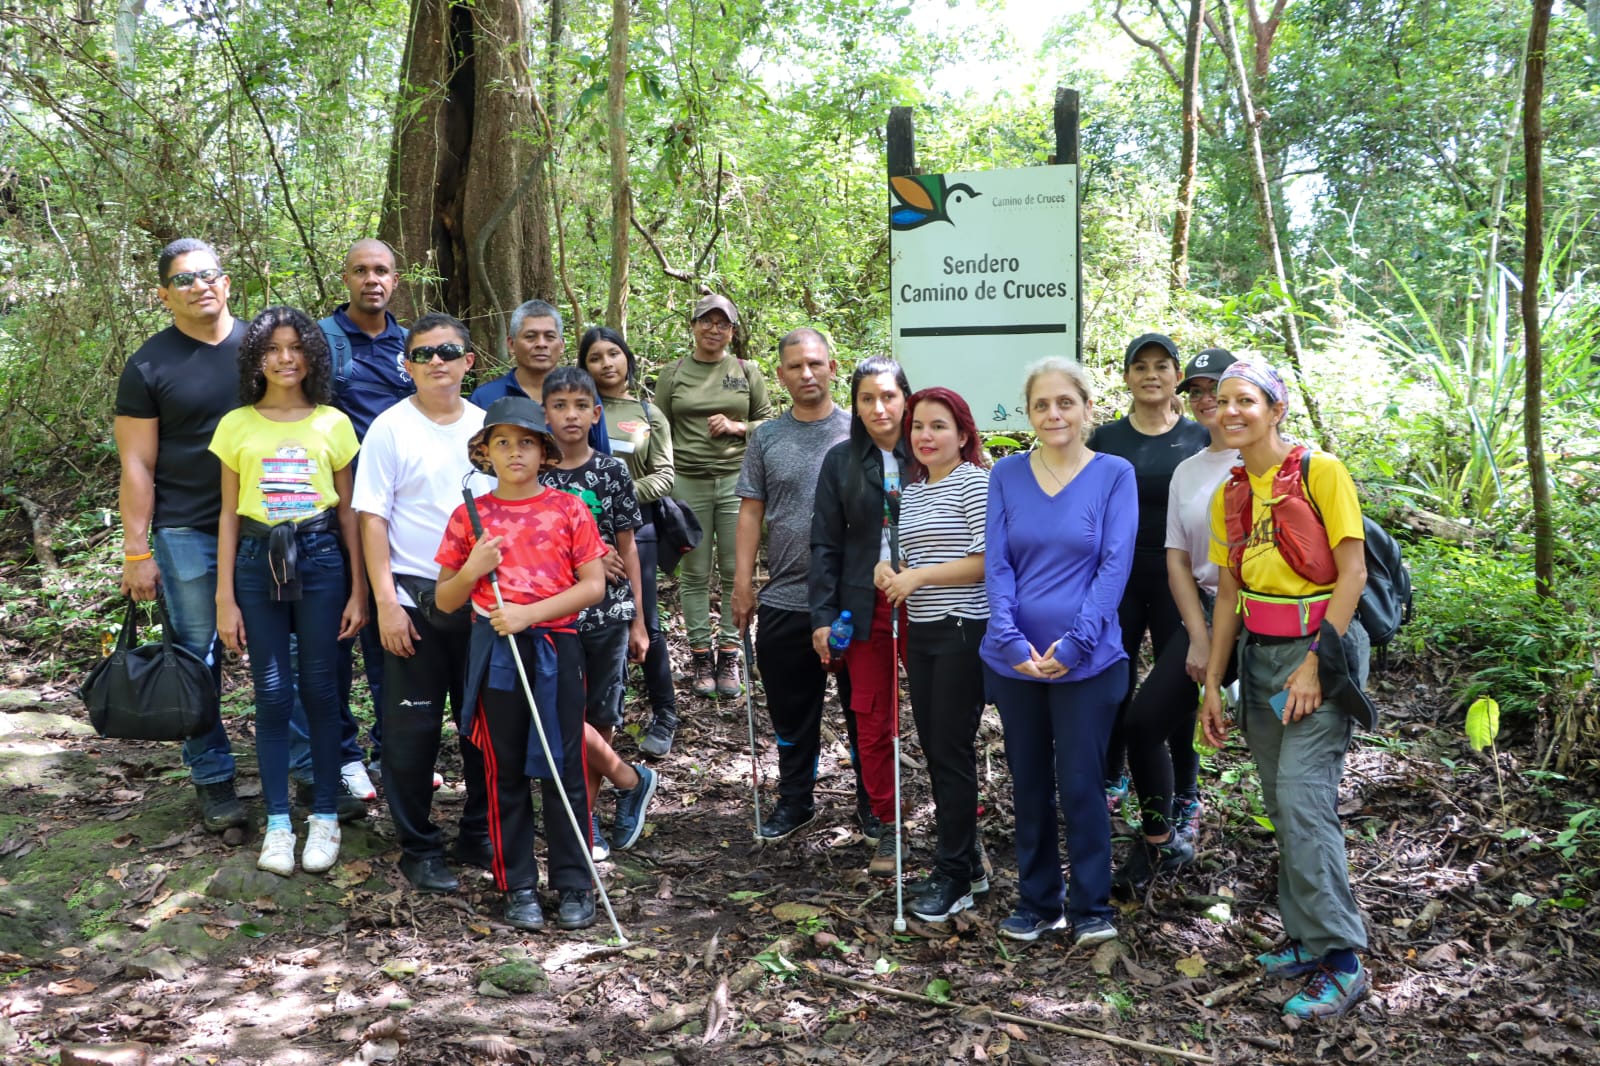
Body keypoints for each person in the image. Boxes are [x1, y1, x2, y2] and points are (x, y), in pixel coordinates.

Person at [1197, 360, 1372, 1020]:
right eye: (1223, 401)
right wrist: (1214, 684)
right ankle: (1306, 939)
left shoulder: (1320, 472)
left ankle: (1345, 959)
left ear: (1277, 409)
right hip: (1260, 656)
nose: (1232, 410)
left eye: (1248, 400)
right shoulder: (1232, 490)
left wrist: (1315, 666)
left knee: (1302, 800)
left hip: (1317, 653)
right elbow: (1228, 597)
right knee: (1280, 797)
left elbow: (1351, 574)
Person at [434, 396, 608, 931]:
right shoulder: (470, 516)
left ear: (545, 451)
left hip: (556, 649)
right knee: (503, 769)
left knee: (564, 768)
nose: (514, 452)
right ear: (484, 452)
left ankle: (575, 884)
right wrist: (474, 570)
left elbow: (594, 586)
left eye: (526, 442)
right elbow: (444, 598)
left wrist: (529, 613)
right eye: (502, 442)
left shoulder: (569, 509)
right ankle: (518, 886)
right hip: (497, 655)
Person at [981, 358, 1135, 944]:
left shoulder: (1113, 474)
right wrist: (1011, 638)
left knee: (1079, 782)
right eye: (1042, 404)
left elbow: (1114, 565)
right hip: (1015, 663)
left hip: (1089, 663)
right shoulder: (1006, 475)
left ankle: (1092, 905)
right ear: (1029, 413)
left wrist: (1074, 644)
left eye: (1065, 402)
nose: (1054, 414)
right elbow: (997, 565)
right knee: (1029, 782)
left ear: (1087, 408)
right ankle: (1038, 900)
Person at [210, 306, 366, 877]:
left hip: (322, 560)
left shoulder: (333, 422)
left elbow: (349, 513)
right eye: (272, 348)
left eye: (295, 347)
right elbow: (227, 514)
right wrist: (224, 596)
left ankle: (323, 814)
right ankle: (278, 821)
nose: (284, 358)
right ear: (256, 357)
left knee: (323, 691)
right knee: (273, 694)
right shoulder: (236, 424)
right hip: (256, 562)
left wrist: (360, 592)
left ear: (311, 355)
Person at [351, 312, 493, 894]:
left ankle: (480, 831)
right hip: (413, 595)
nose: (438, 361)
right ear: (405, 364)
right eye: (424, 353)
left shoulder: (490, 427)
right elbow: (371, 517)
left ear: (469, 361)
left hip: (485, 598)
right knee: (411, 728)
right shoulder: (390, 428)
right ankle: (417, 844)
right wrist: (385, 601)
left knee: (484, 723)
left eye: (449, 351)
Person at [114, 239, 251, 833]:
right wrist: (136, 550)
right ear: (164, 294)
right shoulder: (149, 366)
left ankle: (306, 769)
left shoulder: (266, 349)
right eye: (185, 279)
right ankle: (214, 780)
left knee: (294, 652)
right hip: (187, 529)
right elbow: (137, 466)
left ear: (226, 283)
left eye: (209, 274)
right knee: (197, 656)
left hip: (272, 528)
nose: (201, 285)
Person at [1114, 347, 1241, 895]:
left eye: (1222, 390)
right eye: (1200, 391)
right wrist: (1199, 635)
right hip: (1203, 608)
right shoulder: (1189, 469)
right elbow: (1179, 557)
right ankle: (1160, 838)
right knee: (1143, 723)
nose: (1208, 400)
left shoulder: (1273, 464)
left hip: (1269, 620)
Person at [732, 329, 867, 843]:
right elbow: (750, 511)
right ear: (781, 374)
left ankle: (872, 801)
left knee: (861, 705)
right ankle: (795, 799)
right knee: (791, 705)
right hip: (785, 595)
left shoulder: (860, 431)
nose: (806, 374)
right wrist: (742, 585)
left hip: (852, 599)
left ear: (833, 367)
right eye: (795, 366)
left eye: (814, 364)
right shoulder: (766, 437)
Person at [874, 387, 992, 923]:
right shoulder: (914, 490)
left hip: (965, 630)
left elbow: (987, 561)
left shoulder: (974, 482)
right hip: (921, 632)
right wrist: (889, 570)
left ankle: (954, 876)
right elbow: (901, 553)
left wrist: (919, 576)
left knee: (950, 751)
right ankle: (967, 863)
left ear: (962, 434)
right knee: (938, 749)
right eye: (918, 425)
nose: (925, 435)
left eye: (938, 426)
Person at [310, 237, 417, 802]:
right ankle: (344, 756)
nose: (372, 280)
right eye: (360, 271)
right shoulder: (321, 344)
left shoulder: (413, 347)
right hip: (330, 517)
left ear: (395, 280)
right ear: (346, 279)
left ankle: (394, 751)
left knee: (391, 637)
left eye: (382, 271)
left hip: (399, 520)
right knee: (334, 639)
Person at [1090, 334, 1209, 835]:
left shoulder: (1199, 437)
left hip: (1178, 577)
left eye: (1162, 366)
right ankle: (1113, 775)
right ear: (1127, 377)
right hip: (1118, 576)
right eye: (1140, 366)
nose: (1151, 374)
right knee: (1114, 680)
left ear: (1176, 375)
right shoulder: (1106, 439)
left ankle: (1185, 789)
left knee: (1176, 686)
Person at [539, 366, 658, 860]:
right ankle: (630, 779)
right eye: (559, 406)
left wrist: (639, 620)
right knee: (557, 714)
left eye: (580, 406)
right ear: (544, 413)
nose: (570, 416)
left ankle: (586, 824)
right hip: (551, 616)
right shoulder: (535, 472)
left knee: (599, 717)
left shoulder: (610, 472)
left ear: (596, 413)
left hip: (607, 614)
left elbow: (629, 550)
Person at [811, 355, 913, 879]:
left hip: (930, 606)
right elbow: (824, 544)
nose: (879, 407)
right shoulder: (841, 461)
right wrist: (823, 616)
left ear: (905, 397)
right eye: (867, 398)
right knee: (873, 720)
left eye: (888, 395)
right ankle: (887, 820)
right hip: (864, 607)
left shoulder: (931, 449)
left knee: (943, 719)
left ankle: (959, 826)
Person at [655, 294, 774, 700]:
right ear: (693, 326)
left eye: (722, 323)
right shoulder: (673, 374)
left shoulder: (746, 371)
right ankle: (700, 655)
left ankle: (729, 653)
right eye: (706, 321)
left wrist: (738, 428)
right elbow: (658, 427)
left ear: (732, 331)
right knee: (694, 573)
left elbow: (769, 424)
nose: (713, 329)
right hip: (687, 482)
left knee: (734, 570)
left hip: (738, 482)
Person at [578, 327, 679, 757]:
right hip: (578, 534)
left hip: (637, 531)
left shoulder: (647, 412)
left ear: (627, 358)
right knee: (588, 621)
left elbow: (664, 474)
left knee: (644, 619)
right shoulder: (576, 409)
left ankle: (665, 712)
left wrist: (616, 496)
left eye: (614, 354)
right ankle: (595, 716)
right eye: (596, 357)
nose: (606, 363)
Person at [468, 299, 610, 457]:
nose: (541, 344)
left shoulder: (583, 397)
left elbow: (602, 459)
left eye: (549, 337)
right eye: (530, 337)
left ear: (561, 345)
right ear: (511, 344)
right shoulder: (485, 398)